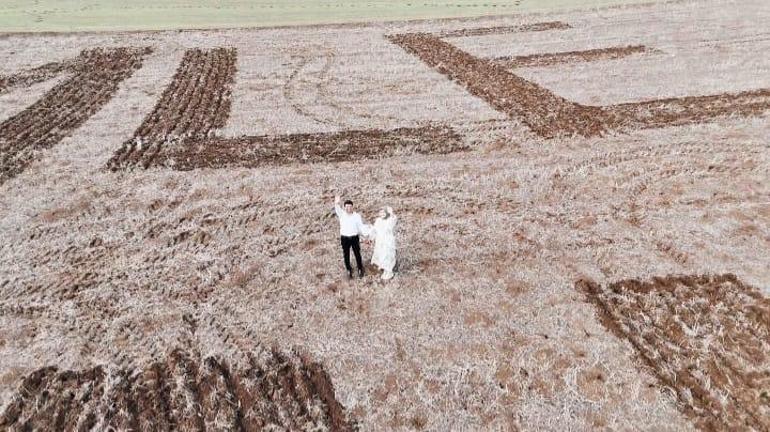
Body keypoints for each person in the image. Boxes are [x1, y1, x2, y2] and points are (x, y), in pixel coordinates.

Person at [334, 195, 367, 279]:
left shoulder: (357, 216)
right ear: (344, 207)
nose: (348, 208)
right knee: (346, 254)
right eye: (347, 207)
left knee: (357, 253)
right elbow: (337, 208)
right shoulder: (342, 214)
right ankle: (348, 269)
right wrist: (337, 202)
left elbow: (360, 227)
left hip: (354, 237)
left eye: (350, 206)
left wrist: (365, 236)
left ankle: (360, 268)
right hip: (345, 238)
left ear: (353, 207)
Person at [368, 207, 398, 280]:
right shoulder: (378, 220)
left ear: (386, 213)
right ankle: (384, 270)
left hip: (388, 242)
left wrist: (391, 213)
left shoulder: (389, 220)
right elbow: (374, 230)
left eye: (384, 212)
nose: (382, 214)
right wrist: (370, 238)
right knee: (381, 256)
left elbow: (394, 219)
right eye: (381, 213)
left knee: (388, 256)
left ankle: (389, 272)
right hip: (380, 242)